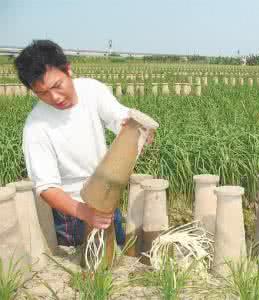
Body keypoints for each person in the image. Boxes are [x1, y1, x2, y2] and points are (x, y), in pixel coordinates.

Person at [14, 40, 155, 247]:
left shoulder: (91, 90)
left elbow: (119, 118)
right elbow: (47, 188)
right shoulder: (36, 127)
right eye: (42, 93)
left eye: (57, 86)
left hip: (107, 202)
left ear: (68, 70)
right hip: (72, 212)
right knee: (85, 271)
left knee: (116, 261)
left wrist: (140, 132)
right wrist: (84, 213)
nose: (54, 97)